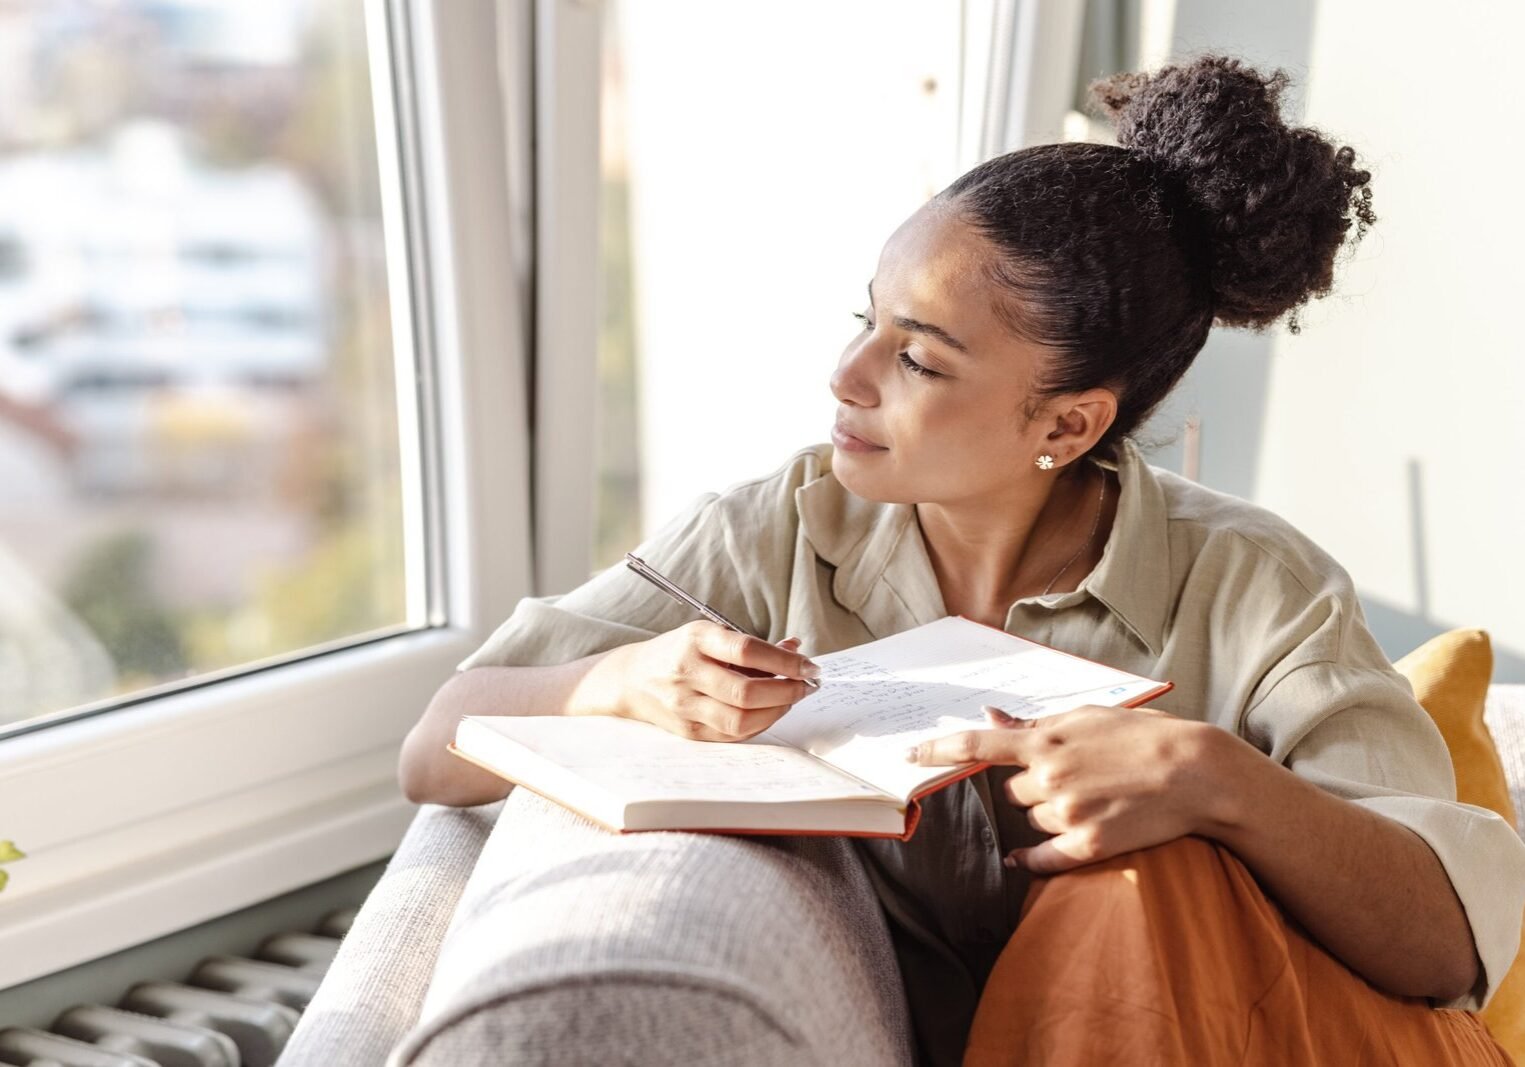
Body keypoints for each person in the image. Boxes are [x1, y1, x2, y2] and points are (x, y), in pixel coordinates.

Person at [398, 54, 1525, 1066]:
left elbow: (1441, 941)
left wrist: (1216, 783)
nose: (847, 374)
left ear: (1066, 426)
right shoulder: (776, 530)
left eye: (918, 359)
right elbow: (434, 744)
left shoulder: (1252, 584)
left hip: (1284, 1037)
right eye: (866, 318)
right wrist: (611, 684)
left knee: (1148, 875)